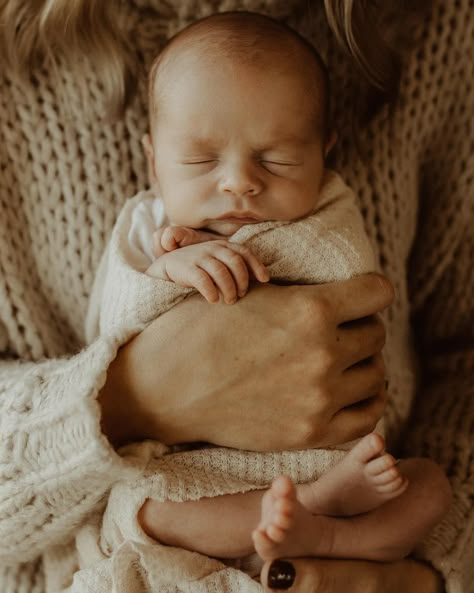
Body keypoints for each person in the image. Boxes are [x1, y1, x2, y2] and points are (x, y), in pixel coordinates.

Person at [0, 1, 471, 593]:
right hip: (197, 488)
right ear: (154, 159)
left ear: (326, 149)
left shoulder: (437, 26)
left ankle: (330, 527)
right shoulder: (150, 234)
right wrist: (135, 382)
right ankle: (317, 509)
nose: (239, 182)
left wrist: (424, 578)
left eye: (277, 159)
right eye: (200, 160)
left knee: (430, 488)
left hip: (352, 483)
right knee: (151, 511)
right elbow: (116, 315)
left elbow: (449, 344)